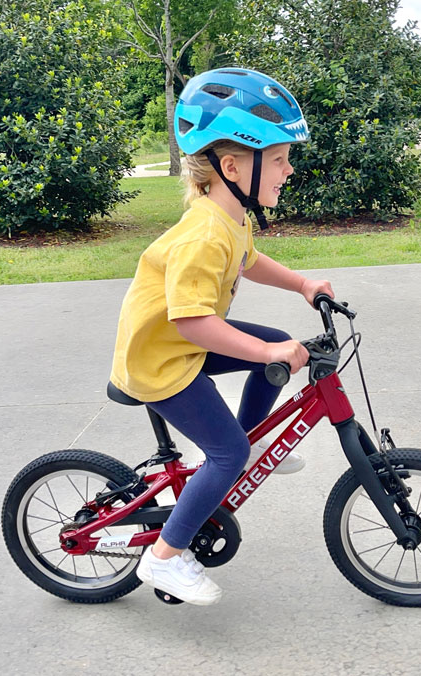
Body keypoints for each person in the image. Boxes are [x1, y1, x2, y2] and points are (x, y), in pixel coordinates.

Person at [109, 68, 333, 605]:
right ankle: (164, 558)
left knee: (273, 348)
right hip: (160, 361)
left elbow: (250, 261)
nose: (289, 169)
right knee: (227, 451)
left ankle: (251, 443)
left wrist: (302, 284)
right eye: (278, 159)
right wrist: (268, 352)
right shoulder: (203, 235)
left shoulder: (231, 218)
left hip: (180, 345)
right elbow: (192, 321)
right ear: (232, 167)